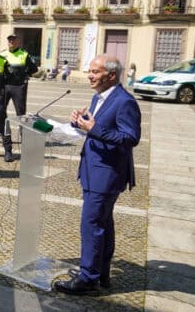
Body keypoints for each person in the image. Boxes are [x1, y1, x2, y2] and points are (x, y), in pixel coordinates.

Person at [54, 55, 141, 295]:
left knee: (91, 223)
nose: (90, 75)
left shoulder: (125, 102)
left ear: (111, 75)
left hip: (107, 174)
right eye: (90, 71)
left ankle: (88, 279)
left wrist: (95, 128)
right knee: (103, 222)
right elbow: (92, 125)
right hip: (93, 170)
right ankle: (100, 272)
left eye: (95, 71)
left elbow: (130, 137)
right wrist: (78, 122)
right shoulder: (99, 97)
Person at [1, 34, 38, 117]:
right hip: (5, 86)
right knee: (0, 109)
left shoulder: (24, 54)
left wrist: (25, 74)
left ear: (18, 42)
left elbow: (34, 69)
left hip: (19, 87)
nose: (11, 42)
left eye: (13, 40)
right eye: (10, 40)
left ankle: (20, 129)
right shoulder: (2, 54)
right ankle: (3, 128)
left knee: (20, 111)